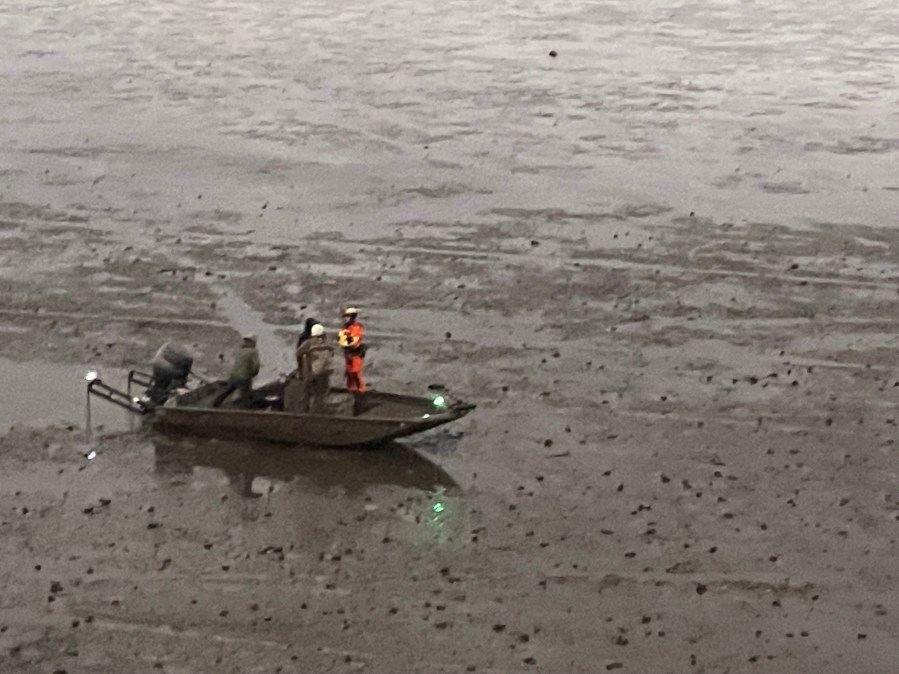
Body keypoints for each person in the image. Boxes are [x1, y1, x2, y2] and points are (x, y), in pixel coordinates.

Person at [293, 323, 335, 412]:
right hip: (325, 372)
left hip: (312, 372)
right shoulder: (329, 342)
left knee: (306, 392)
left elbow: (298, 353)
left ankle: (305, 413)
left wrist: (301, 367)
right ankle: (319, 412)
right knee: (321, 394)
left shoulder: (309, 343)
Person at [212, 334, 261, 407]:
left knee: (227, 391)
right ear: (253, 342)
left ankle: (216, 403)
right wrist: (253, 373)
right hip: (244, 377)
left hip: (234, 376)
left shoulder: (240, 351)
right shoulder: (253, 352)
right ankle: (245, 411)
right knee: (246, 394)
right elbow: (256, 365)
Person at [337, 307, 366, 394]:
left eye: (347, 316)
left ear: (352, 317)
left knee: (356, 374)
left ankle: (361, 393)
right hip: (348, 353)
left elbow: (353, 342)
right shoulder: (345, 328)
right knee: (349, 374)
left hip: (356, 354)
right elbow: (342, 341)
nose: (345, 318)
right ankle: (351, 392)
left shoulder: (357, 327)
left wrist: (346, 339)